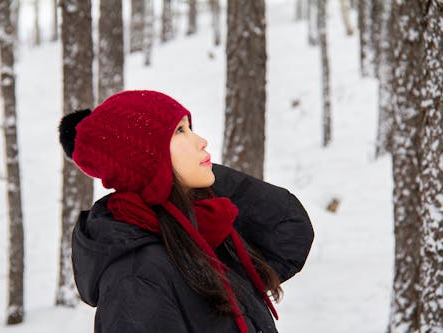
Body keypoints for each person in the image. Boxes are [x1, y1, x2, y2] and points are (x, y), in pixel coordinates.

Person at [58, 90, 314, 333]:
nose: (201, 141)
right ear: (146, 158)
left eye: (190, 128)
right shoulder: (136, 280)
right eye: (180, 131)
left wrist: (190, 180)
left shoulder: (200, 232)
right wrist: (176, 177)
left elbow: (289, 232)